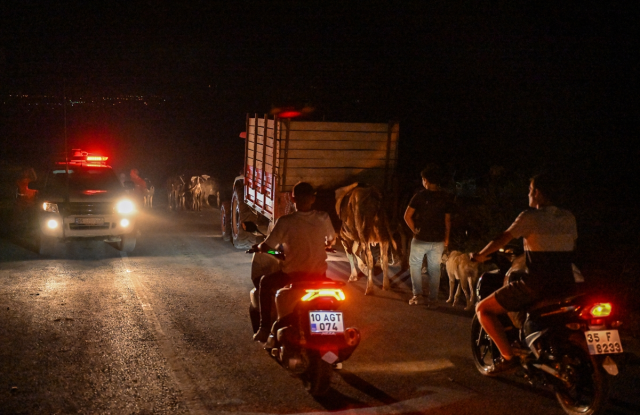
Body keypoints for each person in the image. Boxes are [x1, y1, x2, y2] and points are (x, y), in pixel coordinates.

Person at [471, 172, 577, 374]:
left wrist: (480, 255)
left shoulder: (529, 216)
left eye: (529, 190)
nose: (528, 195)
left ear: (537, 193)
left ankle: (508, 357)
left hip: (537, 285)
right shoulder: (568, 217)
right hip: (566, 284)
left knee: (483, 309)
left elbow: (502, 239)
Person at [253, 181, 336, 342]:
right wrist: (325, 244)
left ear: (293, 199)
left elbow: (268, 246)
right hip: (319, 277)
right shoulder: (323, 217)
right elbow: (331, 239)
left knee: (264, 282)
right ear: (313, 199)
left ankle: (264, 328)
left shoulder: (285, 222)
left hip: (293, 277)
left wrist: (266, 250)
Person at [404, 166, 453, 309]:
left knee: (415, 265)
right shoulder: (446, 197)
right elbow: (447, 221)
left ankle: (417, 296)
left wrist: (415, 230)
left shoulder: (419, 196)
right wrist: (447, 240)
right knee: (434, 269)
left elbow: (407, 216)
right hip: (438, 240)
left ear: (425, 180)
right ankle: (433, 300)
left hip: (420, 239)